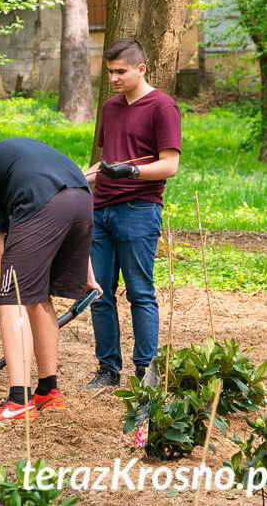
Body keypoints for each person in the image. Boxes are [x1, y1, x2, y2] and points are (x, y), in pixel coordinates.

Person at [0, 139, 101, 421]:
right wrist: (88, 273)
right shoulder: (8, 177)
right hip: (81, 198)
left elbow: (3, 259)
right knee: (39, 296)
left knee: (11, 297)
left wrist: (8, 292)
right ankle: (48, 391)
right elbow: (62, 203)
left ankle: (19, 400)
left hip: (45, 202)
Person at [85, 38, 181, 388]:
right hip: (101, 212)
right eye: (109, 72)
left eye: (120, 71)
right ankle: (108, 369)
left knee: (140, 291)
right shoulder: (110, 108)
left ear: (142, 68)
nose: (114, 78)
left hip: (139, 210)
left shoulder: (162, 106)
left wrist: (133, 173)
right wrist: (77, 180)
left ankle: (145, 370)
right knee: (99, 293)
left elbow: (170, 165)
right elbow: (106, 160)